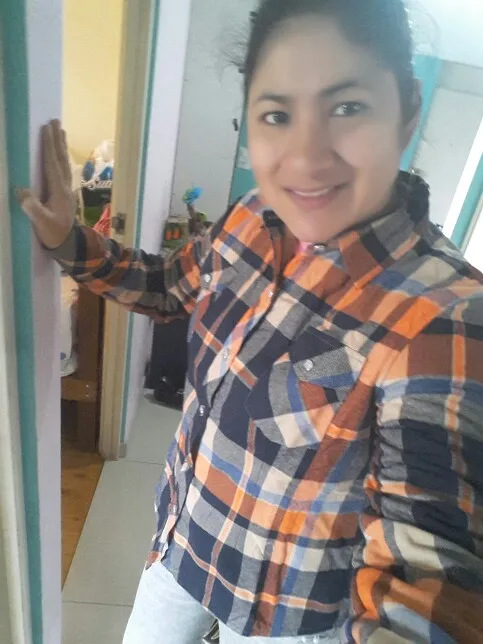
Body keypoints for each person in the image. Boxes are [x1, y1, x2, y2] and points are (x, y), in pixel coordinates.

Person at [18, 0, 483, 642]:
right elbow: (167, 286)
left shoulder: (447, 316)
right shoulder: (251, 220)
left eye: (348, 107)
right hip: (184, 546)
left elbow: (428, 573)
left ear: (407, 111)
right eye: (277, 115)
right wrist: (69, 241)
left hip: (289, 615)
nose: (306, 157)